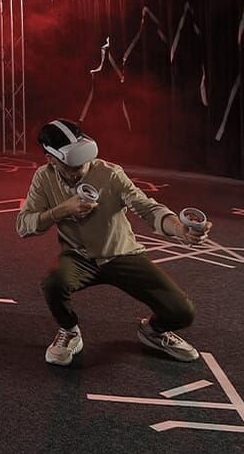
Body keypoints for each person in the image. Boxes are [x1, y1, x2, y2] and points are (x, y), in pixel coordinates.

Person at [16, 119, 211, 367]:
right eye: (72, 166)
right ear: (51, 159)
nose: (80, 170)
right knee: (53, 283)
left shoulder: (110, 173)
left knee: (182, 312)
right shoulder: (43, 178)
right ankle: (70, 330)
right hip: (79, 257)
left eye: (84, 162)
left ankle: (153, 331)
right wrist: (61, 210)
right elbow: (23, 226)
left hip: (122, 254)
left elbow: (147, 208)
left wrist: (180, 229)